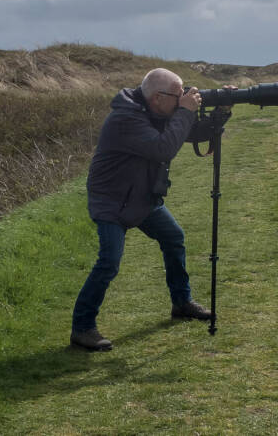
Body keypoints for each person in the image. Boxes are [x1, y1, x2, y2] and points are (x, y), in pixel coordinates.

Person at [70, 68, 233, 351]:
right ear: (158, 97)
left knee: (173, 237)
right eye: (178, 95)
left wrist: (222, 111)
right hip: (111, 200)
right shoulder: (126, 119)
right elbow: (163, 149)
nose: (183, 98)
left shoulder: (155, 111)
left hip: (141, 197)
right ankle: (82, 328)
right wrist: (185, 111)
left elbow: (190, 132)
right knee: (109, 262)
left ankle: (181, 303)